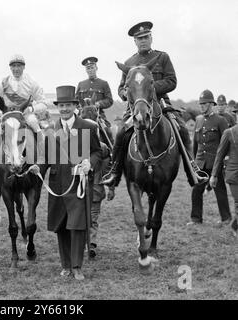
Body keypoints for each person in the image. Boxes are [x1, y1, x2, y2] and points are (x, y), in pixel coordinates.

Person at [102, 21, 205, 188]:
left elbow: (172, 81)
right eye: (139, 38)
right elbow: (121, 87)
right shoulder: (128, 62)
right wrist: (127, 93)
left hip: (162, 104)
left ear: (151, 38)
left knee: (182, 129)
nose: (143, 40)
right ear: (134, 41)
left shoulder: (162, 57)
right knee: (121, 132)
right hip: (135, 107)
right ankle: (114, 171)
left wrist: (148, 88)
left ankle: (192, 169)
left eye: (146, 37)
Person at [29, 85, 104, 280]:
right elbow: (45, 158)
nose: (64, 109)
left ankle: (77, 266)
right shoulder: (51, 130)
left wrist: (90, 162)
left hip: (78, 184)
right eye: (61, 106)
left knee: (77, 225)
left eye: (68, 105)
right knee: (61, 225)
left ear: (74, 106)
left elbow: (98, 152)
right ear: (58, 107)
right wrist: (38, 167)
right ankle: (66, 265)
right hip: (57, 186)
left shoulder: (88, 127)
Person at [0, 54, 47, 162]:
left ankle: (41, 157)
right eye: (13, 66)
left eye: (19, 66)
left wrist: (31, 109)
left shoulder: (31, 82)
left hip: (25, 114)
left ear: (24, 67)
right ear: (10, 67)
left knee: (34, 124)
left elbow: (43, 103)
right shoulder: (3, 82)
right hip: (7, 114)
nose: (16, 69)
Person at [187, 90, 231, 226]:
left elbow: (226, 143)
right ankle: (196, 219)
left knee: (220, 191)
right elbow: (195, 143)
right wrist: (194, 163)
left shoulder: (220, 120)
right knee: (196, 191)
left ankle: (226, 219)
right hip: (201, 162)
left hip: (215, 163)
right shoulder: (199, 120)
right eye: (200, 104)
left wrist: (225, 162)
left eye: (204, 104)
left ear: (211, 104)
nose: (201, 106)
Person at [210, 106, 238, 236]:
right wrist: (214, 175)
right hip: (234, 174)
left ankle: (234, 224)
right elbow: (219, 156)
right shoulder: (229, 133)